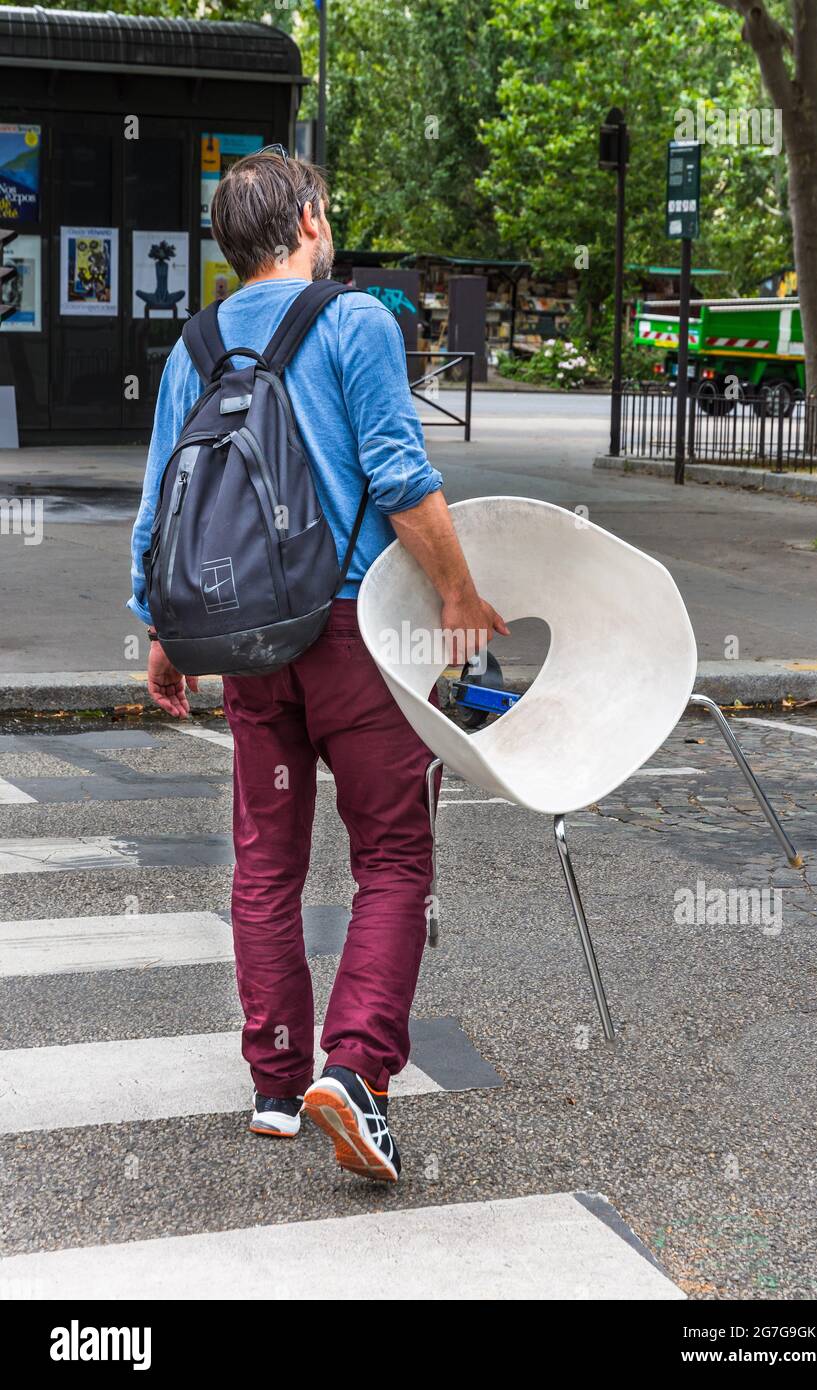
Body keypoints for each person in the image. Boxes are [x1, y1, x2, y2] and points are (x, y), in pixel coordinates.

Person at [128, 148, 508, 1183]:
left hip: (248, 639)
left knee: (265, 861)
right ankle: (358, 1071)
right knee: (390, 857)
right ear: (305, 219)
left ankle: (274, 1082)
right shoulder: (355, 323)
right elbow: (399, 475)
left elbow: (162, 503)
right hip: (351, 638)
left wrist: (159, 630)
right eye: (325, 211)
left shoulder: (192, 346)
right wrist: (458, 593)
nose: (327, 224)